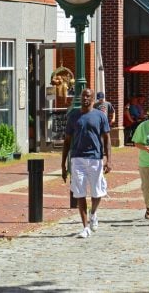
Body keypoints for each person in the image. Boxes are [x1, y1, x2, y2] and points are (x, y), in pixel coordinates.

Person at [61, 88, 111, 239]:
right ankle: (85, 227)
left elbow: (107, 138)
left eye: (88, 96)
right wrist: (63, 164)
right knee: (79, 192)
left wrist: (109, 159)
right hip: (77, 158)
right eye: (83, 96)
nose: (85, 99)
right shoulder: (73, 116)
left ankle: (93, 213)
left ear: (93, 99)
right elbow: (67, 140)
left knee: (97, 192)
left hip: (95, 158)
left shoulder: (100, 116)